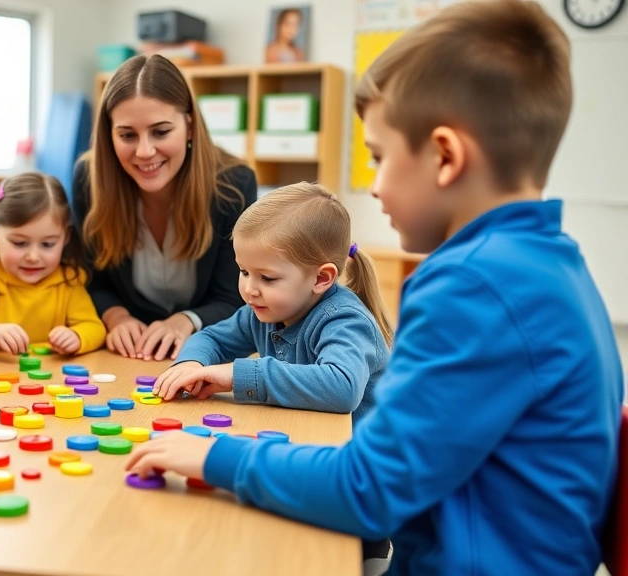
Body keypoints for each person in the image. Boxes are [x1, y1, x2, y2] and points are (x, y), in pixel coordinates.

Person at [126, 2, 624, 574]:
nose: (376, 187)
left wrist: (217, 457)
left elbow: (368, 488)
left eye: (379, 158)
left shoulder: (474, 287)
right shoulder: (547, 262)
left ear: (444, 156)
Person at [152, 183, 392, 427]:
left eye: (267, 278)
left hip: (370, 459)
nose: (249, 289)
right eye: (244, 271)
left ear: (321, 278)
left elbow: (342, 388)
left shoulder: (345, 320)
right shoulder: (260, 313)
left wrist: (237, 375)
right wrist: (192, 364)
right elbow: (212, 338)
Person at [72, 54, 257, 362]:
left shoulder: (234, 184)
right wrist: (115, 316)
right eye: (127, 135)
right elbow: (90, 281)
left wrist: (187, 320)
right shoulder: (89, 180)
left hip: (203, 353)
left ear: (189, 125)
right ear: (109, 134)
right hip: (124, 355)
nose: (144, 151)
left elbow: (234, 295)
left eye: (160, 131)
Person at [0, 173, 105, 356]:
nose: (33, 257)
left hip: (51, 380)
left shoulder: (68, 280)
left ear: (66, 237)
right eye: (20, 243)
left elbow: (95, 328)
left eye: (47, 244)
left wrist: (76, 336)